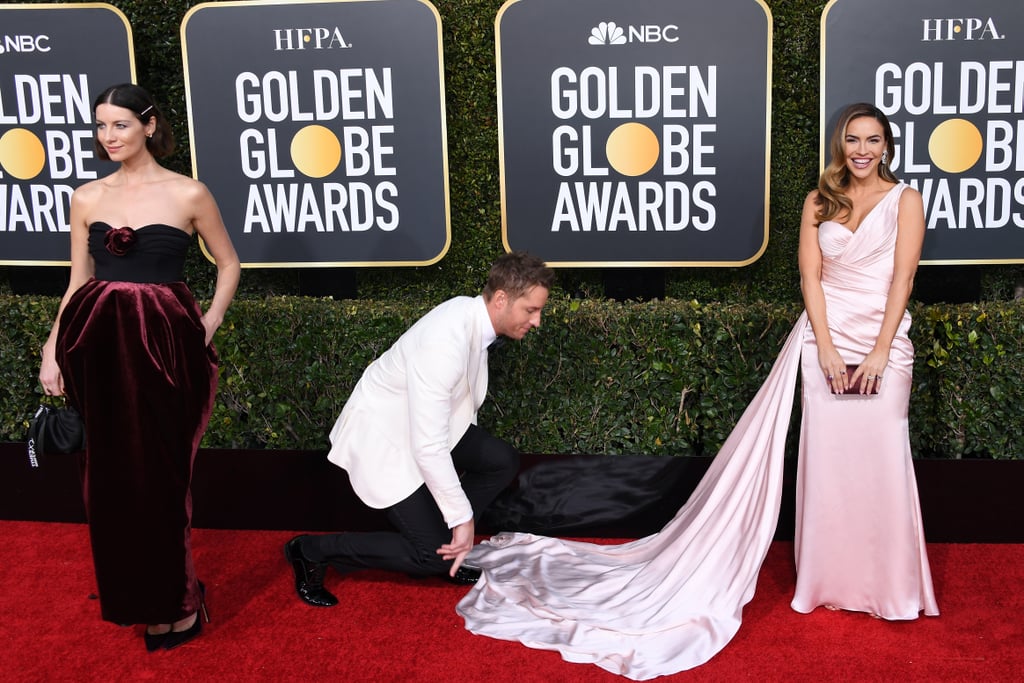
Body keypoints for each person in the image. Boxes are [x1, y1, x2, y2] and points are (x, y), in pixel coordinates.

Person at [455, 103, 938, 680]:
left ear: (887, 146)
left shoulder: (906, 199)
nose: (863, 150)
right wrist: (828, 348)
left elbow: (903, 278)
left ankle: (889, 585)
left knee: (881, 462)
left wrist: (881, 350)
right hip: (824, 345)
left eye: (874, 140)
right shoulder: (818, 202)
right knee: (829, 467)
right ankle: (827, 581)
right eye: (853, 139)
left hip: (885, 344)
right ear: (841, 144)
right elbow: (811, 278)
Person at [37, 83, 240, 652]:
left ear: (149, 126)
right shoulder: (86, 196)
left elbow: (229, 264)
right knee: (109, 482)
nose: (108, 136)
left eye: (120, 125)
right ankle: (142, 600)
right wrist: (54, 346)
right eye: (100, 126)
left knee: (162, 479)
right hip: (96, 342)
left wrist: (208, 323)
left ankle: (180, 601)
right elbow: (77, 279)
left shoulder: (189, 193)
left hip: (166, 345)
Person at [284, 252, 555, 607]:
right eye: (531, 310)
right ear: (502, 299)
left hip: (428, 424)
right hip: (386, 435)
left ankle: (443, 540)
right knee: (430, 556)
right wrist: (463, 518)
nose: (537, 321)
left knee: (500, 460)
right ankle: (311, 550)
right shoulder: (445, 343)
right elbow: (427, 447)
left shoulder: (471, 312)